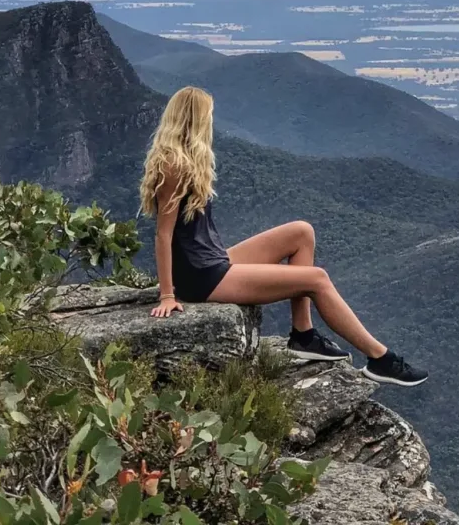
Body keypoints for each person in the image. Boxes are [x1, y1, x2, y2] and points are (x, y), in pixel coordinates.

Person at [139, 85, 428, 387]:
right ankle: (380, 358)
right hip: (202, 276)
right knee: (317, 279)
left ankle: (303, 335)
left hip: (212, 260)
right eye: (208, 116)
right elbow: (163, 235)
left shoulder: (187, 159)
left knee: (302, 232)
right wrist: (168, 294)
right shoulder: (173, 165)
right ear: (196, 119)